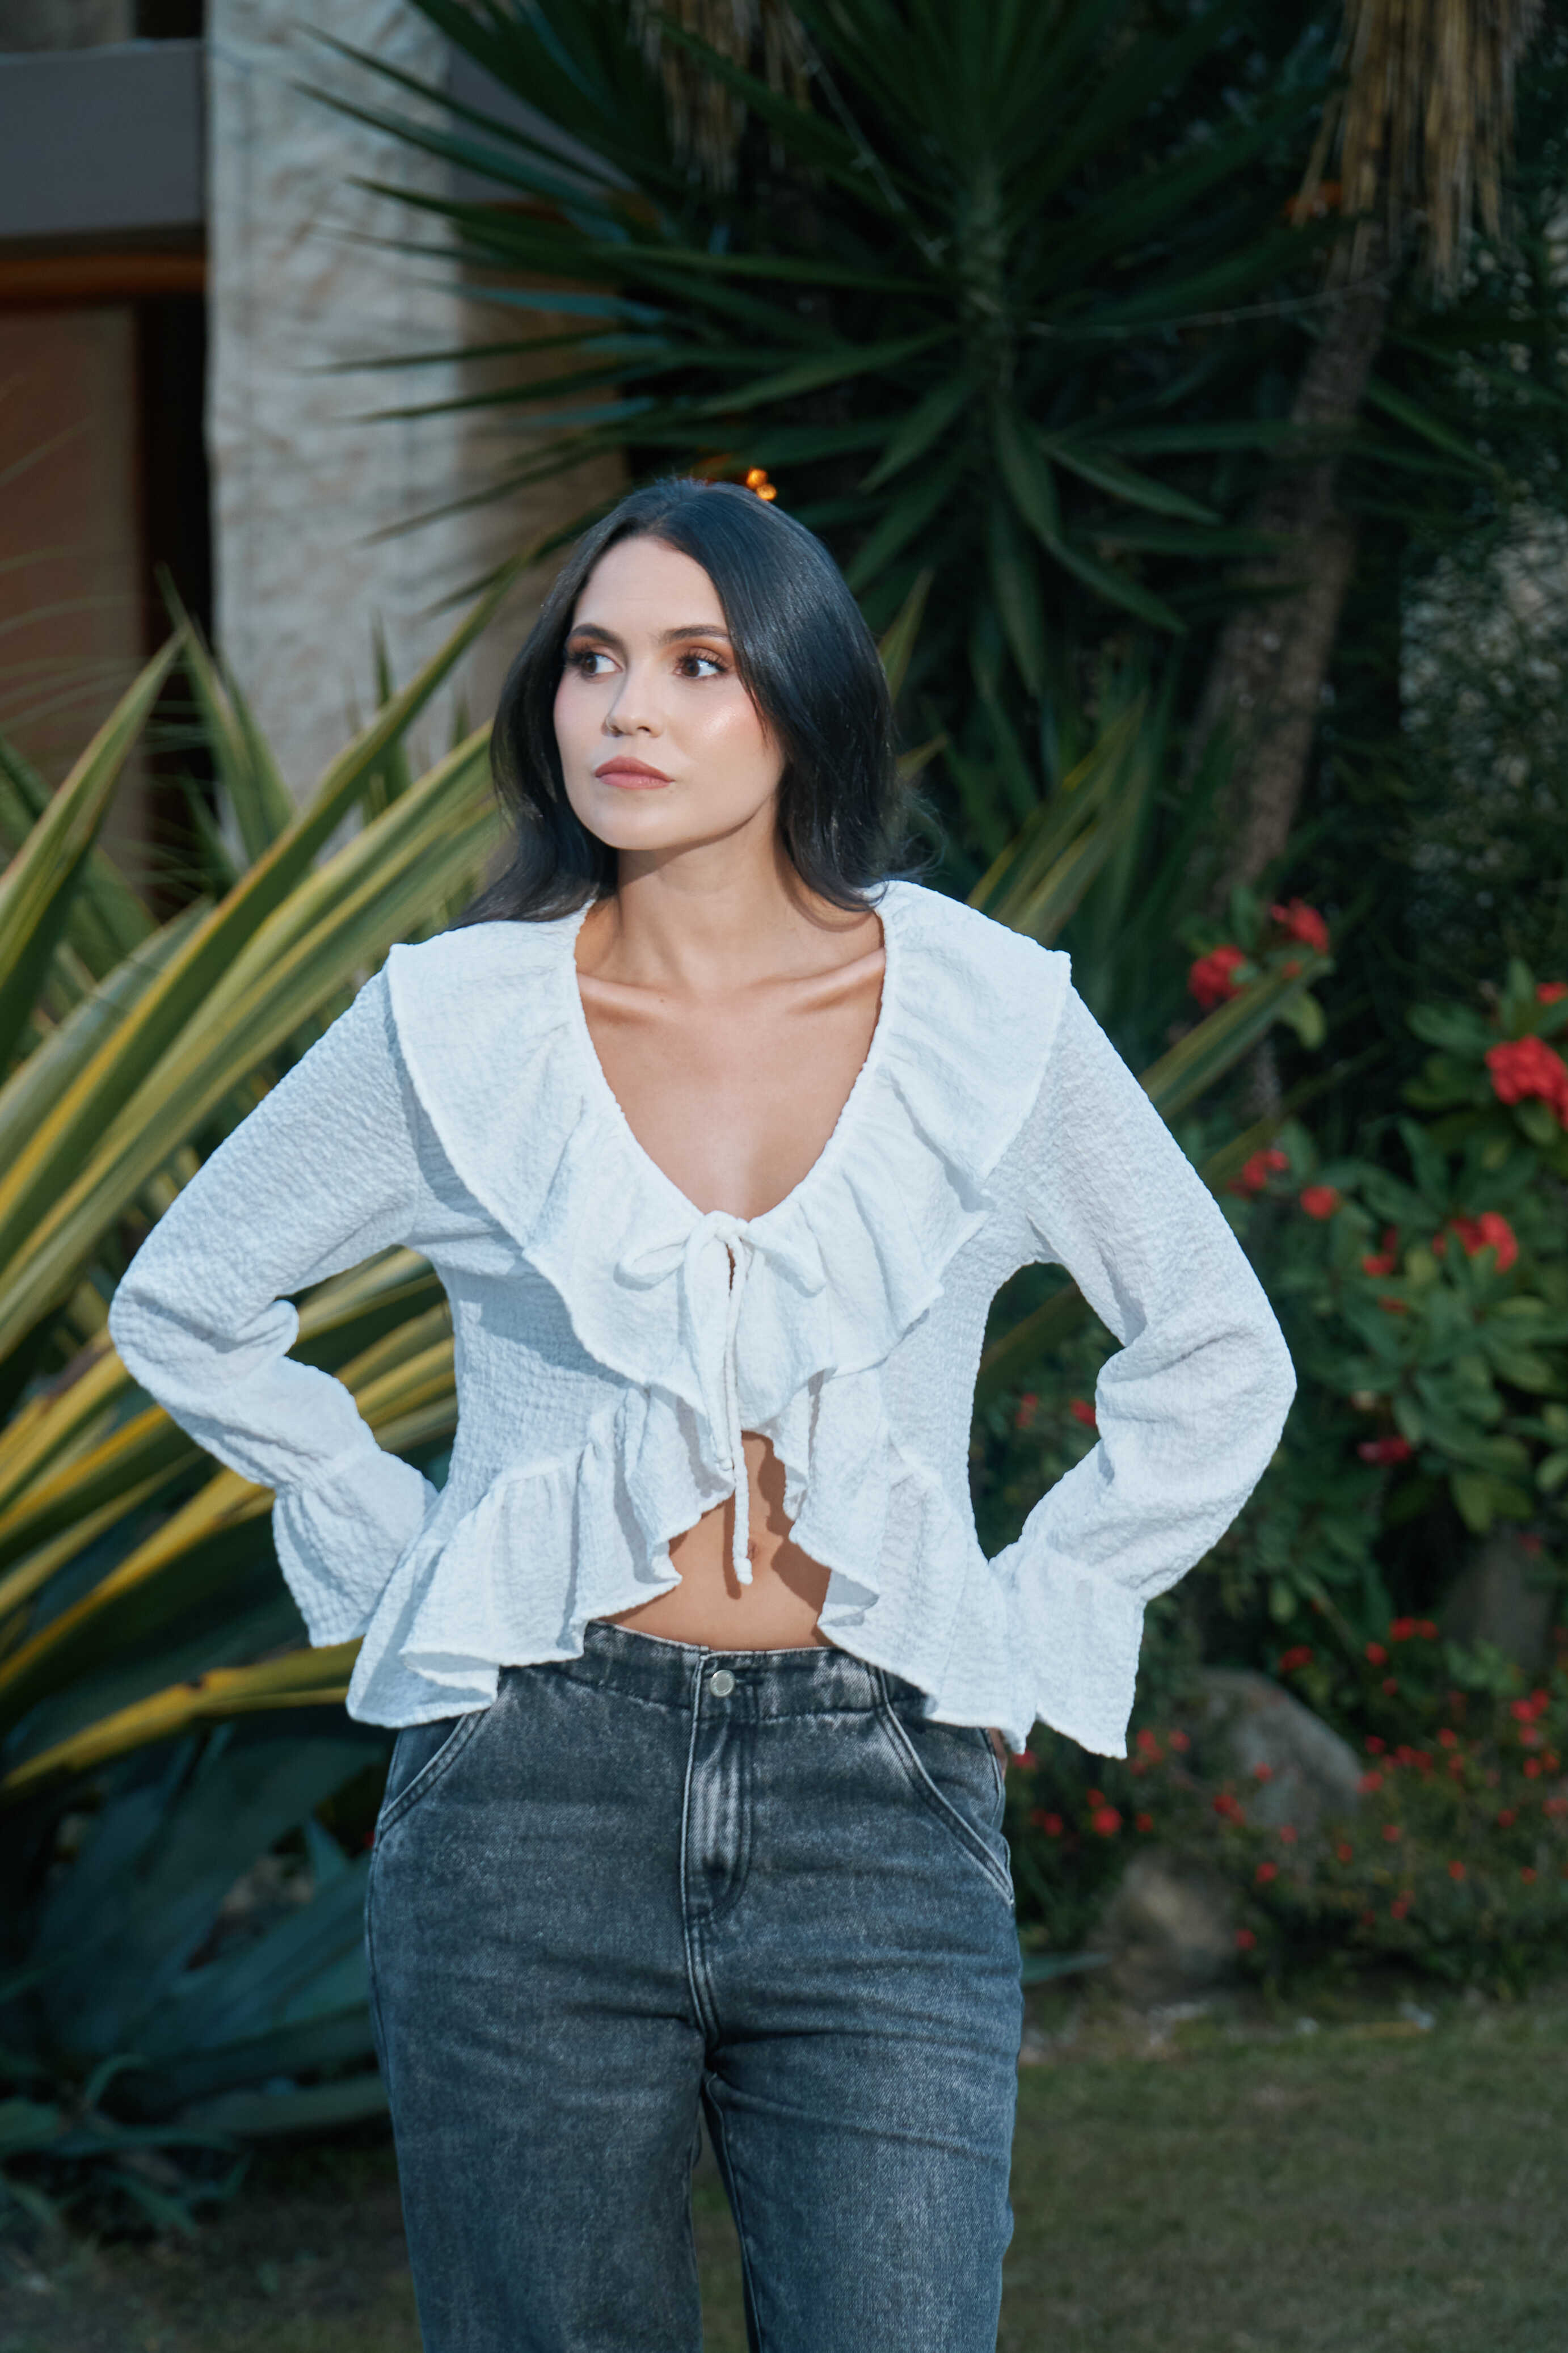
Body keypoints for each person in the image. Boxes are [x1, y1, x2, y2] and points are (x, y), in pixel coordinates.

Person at [108, 476, 1295, 2352]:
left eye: (693, 663)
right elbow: (186, 1300)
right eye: (591, 661)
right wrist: (394, 1541)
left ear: (800, 701)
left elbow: (1216, 1350)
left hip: (880, 1795)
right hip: (523, 1790)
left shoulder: (989, 1014)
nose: (624, 711)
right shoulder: (452, 1026)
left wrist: (1035, 1615)